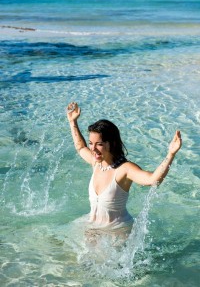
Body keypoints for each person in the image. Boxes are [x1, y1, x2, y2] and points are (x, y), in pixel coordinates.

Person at [66, 102, 182, 241]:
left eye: (99, 144)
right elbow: (80, 147)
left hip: (116, 233)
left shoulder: (124, 169)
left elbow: (153, 180)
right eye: (91, 143)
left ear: (112, 143)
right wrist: (73, 122)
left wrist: (171, 154)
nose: (93, 149)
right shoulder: (96, 163)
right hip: (92, 226)